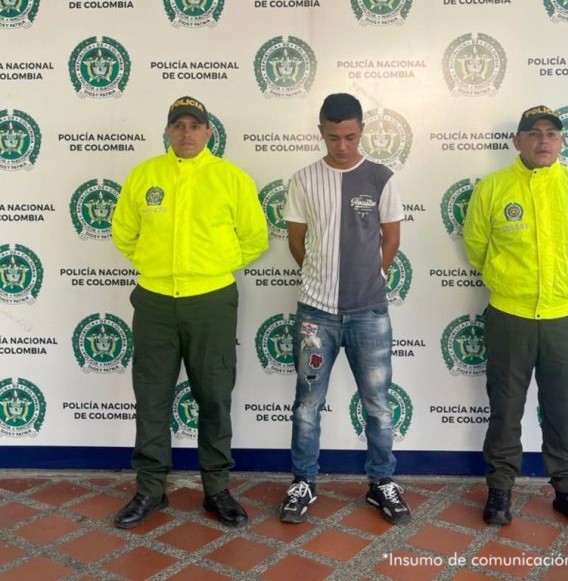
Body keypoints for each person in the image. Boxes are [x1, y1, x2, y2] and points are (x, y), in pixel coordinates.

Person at [111, 95, 269, 529]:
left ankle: (216, 490)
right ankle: (150, 490)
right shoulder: (145, 175)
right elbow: (124, 232)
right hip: (155, 300)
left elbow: (254, 238)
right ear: (167, 131)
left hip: (211, 301)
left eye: (194, 126)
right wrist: (156, 264)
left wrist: (210, 266)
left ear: (209, 132)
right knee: (152, 397)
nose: (186, 133)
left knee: (214, 396)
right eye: (178, 126)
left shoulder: (230, 178)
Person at [462, 105, 568, 530]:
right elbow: (477, 245)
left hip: (565, 316)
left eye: (553, 133)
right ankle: (500, 491)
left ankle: (566, 491)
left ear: (562, 142)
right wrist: (508, 279)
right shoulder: (493, 188)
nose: (544, 140)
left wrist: (567, 280)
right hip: (511, 315)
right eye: (534, 133)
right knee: (505, 407)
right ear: (518, 141)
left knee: (563, 406)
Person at [278, 93, 410, 525]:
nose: (342, 145)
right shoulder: (303, 179)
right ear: (321, 132)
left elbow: (390, 238)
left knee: (378, 405)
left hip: (370, 312)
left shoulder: (380, 178)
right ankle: (303, 482)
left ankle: (382, 484)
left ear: (362, 132)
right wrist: (320, 277)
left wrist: (374, 277)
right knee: (307, 404)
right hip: (316, 315)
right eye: (333, 137)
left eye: (350, 136)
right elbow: (297, 242)